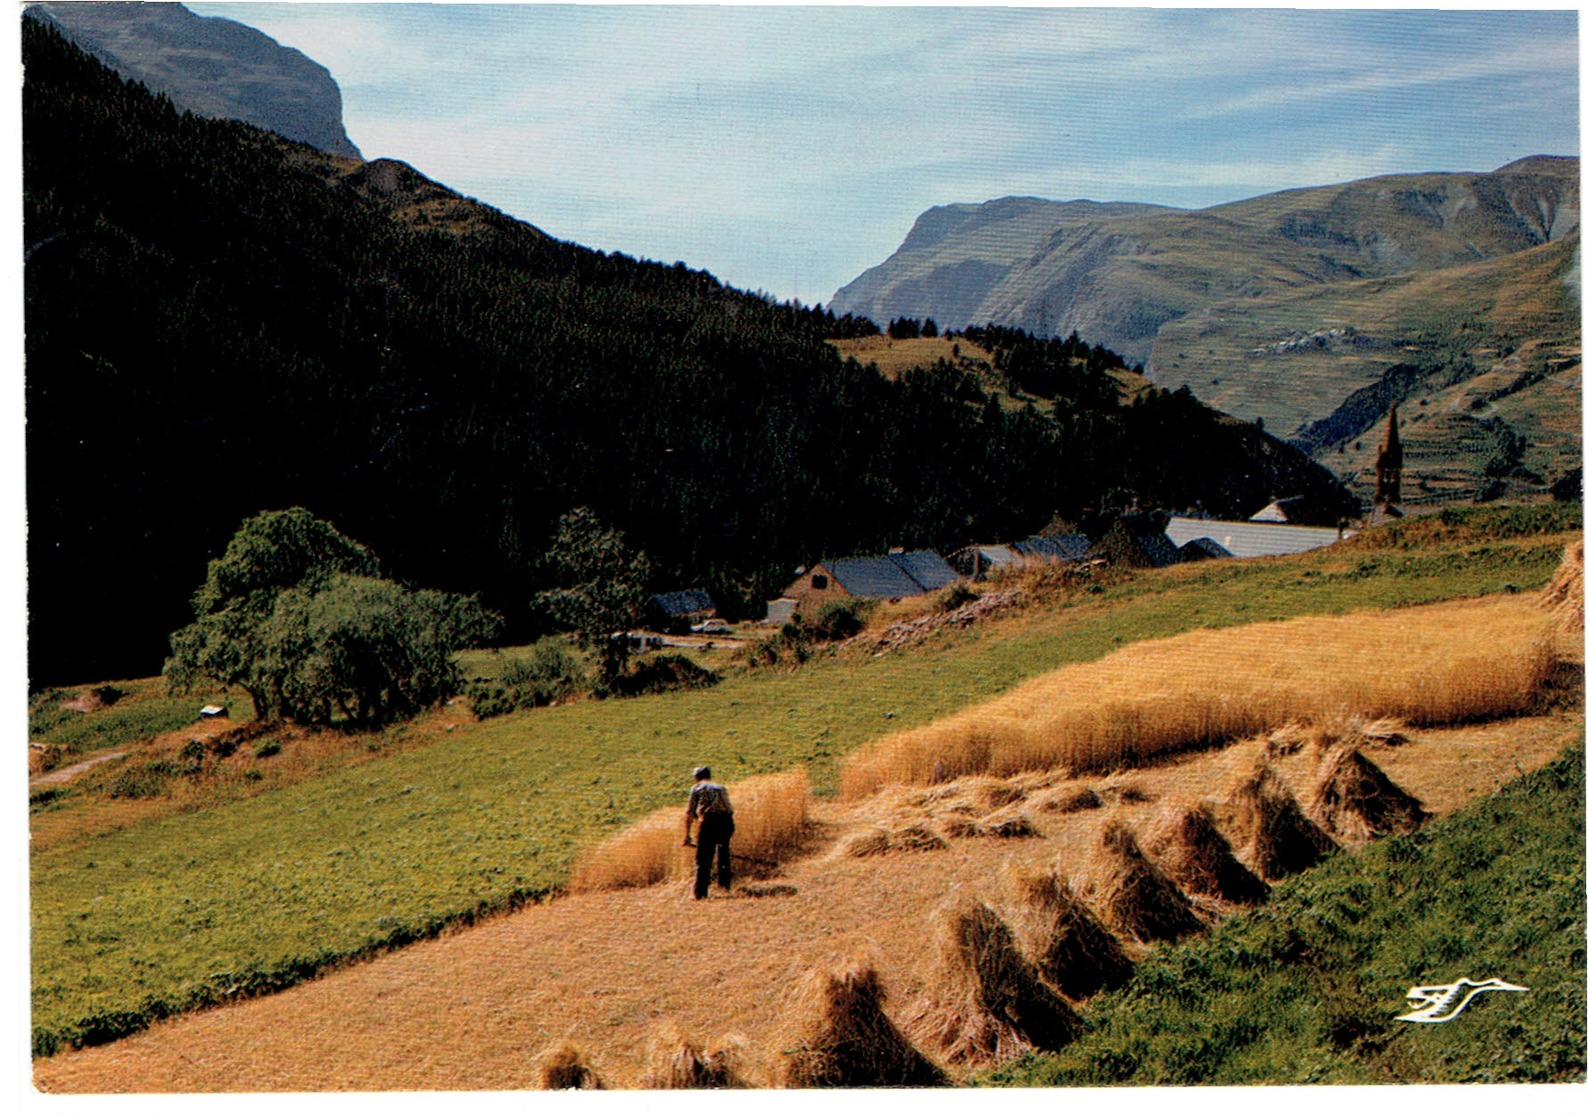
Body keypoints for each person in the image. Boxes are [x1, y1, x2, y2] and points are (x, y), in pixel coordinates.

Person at [682, 765, 734, 899]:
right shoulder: (721, 787)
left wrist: (686, 835)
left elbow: (689, 813)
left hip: (710, 822)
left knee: (703, 858)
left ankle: (700, 893)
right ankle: (724, 886)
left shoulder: (697, 788)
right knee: (723, 854)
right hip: (726, 822)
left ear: (696, 777)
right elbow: (729, 808)